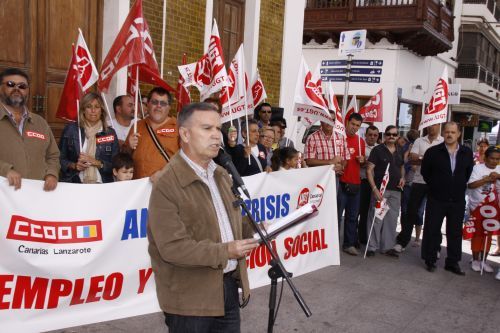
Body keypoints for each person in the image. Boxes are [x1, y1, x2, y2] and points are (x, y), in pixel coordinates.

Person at [147, 102, 258, 332]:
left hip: (227, 290)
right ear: (185, 134)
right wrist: (226, 251)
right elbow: (173, 248)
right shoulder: (167, 184)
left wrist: (255, 229)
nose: (217, 136)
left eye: (218, 129)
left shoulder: (221, 174)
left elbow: (231, 223)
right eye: (207, 129)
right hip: (189, 302)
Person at [421, 122, 474, 274]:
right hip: (437, 198)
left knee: (455, 232)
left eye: (453, 132)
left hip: (457, 199)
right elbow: (426, 172)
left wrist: (456, 185)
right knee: (432, 229)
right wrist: (437, 185)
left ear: (458, 134)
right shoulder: (433, 152)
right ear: (443, 133)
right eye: (447, 132)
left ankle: (452, 262)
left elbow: (468, 172)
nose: (450, 134)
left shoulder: (466, 152)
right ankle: (430, 260)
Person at [0, 67, 59, 191]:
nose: (17, 89)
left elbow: (53, 155)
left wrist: (52, 173)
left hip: (35, 197)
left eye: (22, 86)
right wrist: (5, 170)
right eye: (11, 84)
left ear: (28, 91)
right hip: (4, 197)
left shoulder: (40, 123)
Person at [394, 124, 443, 253]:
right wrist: (434, 161)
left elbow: (445, 162)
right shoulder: (419, 140)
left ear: (439, 126)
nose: (431, 128)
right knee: (411, 212)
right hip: (419, 181)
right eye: (429, 125)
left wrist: (423, 159)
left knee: (435, 216)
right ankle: (403, 241)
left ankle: (434, 247)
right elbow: (412, 160)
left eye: (434, 125)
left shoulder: (443, 141)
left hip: (437, 184)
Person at [59, 92, 119, 184]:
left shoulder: (110, 133)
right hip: (75, 183)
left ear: (102, 110)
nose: (93, 110)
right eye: (89, 106)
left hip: (102, 185)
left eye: (97, 107)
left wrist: (96, 162)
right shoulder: (71, 130)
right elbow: (60, 159)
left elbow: (116, 165)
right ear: (83, 110)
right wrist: (74, 166)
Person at [125, 87, 179, 182]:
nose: (158, 106)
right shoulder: (137, 125)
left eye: (163, 103)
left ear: (169, 107)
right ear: (148, 104)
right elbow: (124, 158)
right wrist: (129, 147)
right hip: (139, 187)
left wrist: (164, 173)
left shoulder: (179, 128)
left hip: (167, 186)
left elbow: (187, 160)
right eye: (154, 102)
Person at [365, 126, 404, 258]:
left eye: (394, 134)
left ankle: (387, 247)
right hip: (381, 190)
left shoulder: (399, 150)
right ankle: (372, 247)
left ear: (398, 136)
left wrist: (403, 177)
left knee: (391, 220)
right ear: (384, 135)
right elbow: (369, 170)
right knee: (377, 218)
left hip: (396, 191)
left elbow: (402, 166)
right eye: (388, 134)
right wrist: (374, 189)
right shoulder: (378, 150)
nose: (391, 136)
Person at [466, 146, 500, 273]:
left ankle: (484, 261)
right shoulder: (477, 168)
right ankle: (475, 260)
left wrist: (498, 177)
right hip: (477, 207)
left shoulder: (499, 168)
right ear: (485, 158)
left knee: (488, 235)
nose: (494, 161)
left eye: (497, 159)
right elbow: (470, 185)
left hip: (493, 208)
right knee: (477, 235)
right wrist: (485, 179)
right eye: (492, 158)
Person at [337, 113, 365, 256]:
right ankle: (334, 244)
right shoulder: (339, 138)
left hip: (356, 183)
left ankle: (348, 244)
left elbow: (363, 162)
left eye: (357, 126)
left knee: (352, 217)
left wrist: (362, 160)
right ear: (347, 122)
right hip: (341, 183)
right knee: (337, 216)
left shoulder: (361, 142)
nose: (354, 127)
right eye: (353, 124)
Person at [304, 114, 348, 184]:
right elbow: (309, 161)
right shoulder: (312, 137)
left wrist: (342, 166)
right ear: (321, 121)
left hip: (334, 178)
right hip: (318, 178)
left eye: (332, 120)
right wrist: (330, 162)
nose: (329, 122)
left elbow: (345, 158)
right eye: (327, 119)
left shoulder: (341, 137)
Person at [358, 125, 379, 244]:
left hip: (373, 184)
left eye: (375, 135)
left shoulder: (380, 148)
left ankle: (363, 237)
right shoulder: (360, 146)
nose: (372, 137)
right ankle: (353, 238)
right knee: (358, 211)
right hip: (361, 181)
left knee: (367, 212)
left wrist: (367, 162)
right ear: (365, 135)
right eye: (370, 134)